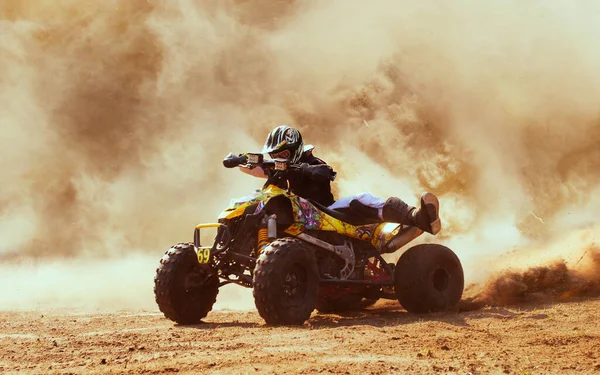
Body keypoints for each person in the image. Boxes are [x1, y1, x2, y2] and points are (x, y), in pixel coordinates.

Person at [224, 125, 441, 235]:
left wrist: (302, 169)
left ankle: (418, 217)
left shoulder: (313, 163)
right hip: (293, 222)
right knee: (249, 203)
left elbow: (327, 173)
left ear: (294, 150)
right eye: (274, 156)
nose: (277, 160)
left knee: (361, 198)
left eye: (282, 155)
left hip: (325, 215)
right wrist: (239, 159)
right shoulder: (277, 168)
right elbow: (256, 168)